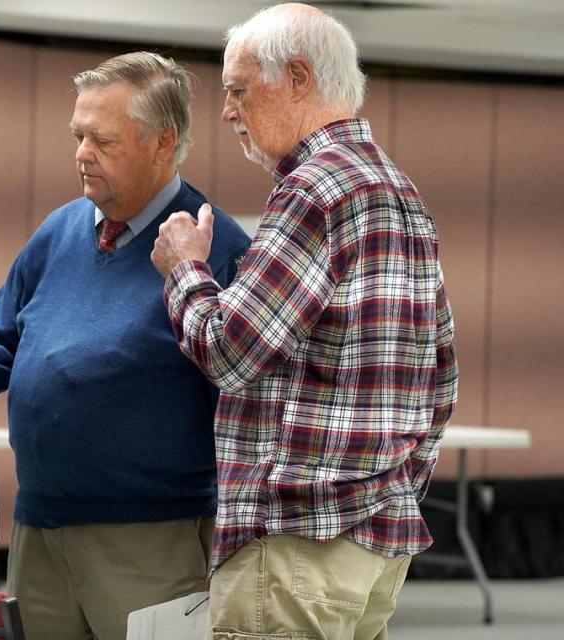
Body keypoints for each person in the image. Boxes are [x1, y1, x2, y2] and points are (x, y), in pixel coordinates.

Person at [0, 51, 252, 640]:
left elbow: (244, 388)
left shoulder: (210, 248)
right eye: (78, 135)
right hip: (40, 530)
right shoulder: (60, 230)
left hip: (152, 540)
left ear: (162, 141)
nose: (81, 153)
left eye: (102, 139)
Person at [150, 4, 459, 639]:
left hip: (294, 548)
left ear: (296, 79)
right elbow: (441, 382)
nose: (228, 111)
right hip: (373, 547)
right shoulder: (400, 192)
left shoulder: (312, 191)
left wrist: (185, 269)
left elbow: (229, 352)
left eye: (238, 90)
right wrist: (385, 490)